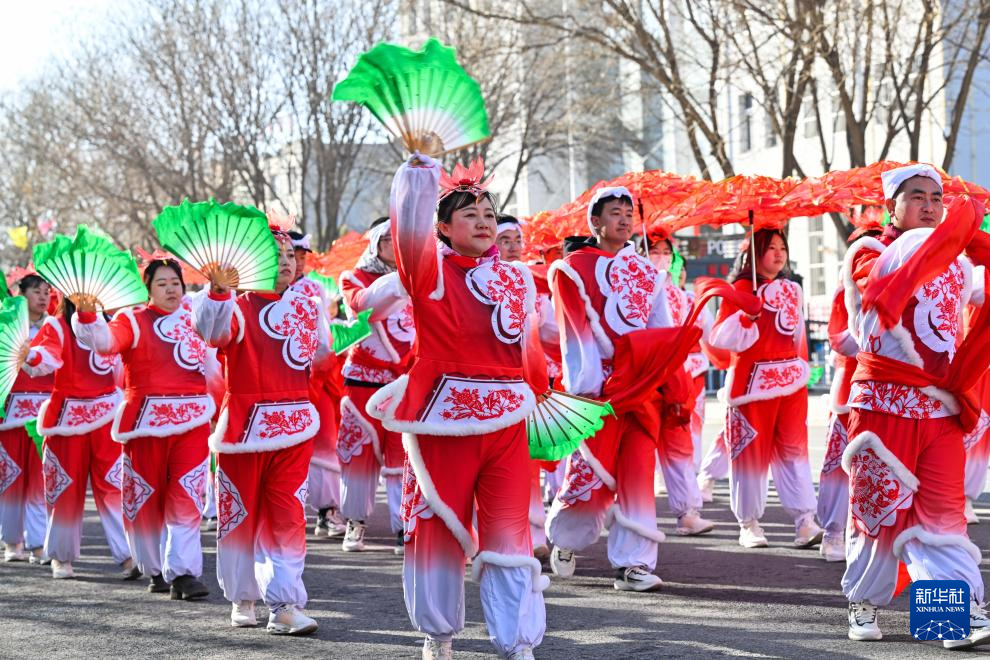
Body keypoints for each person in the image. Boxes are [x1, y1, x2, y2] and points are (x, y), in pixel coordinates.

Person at [373, 154, 546, 660]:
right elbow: (408, 234)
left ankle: (516, 641)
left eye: (490, 213)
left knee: (510, 530)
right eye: (470, 214)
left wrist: (542, 392)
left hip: (508, 418)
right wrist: (418, 177)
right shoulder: (429, 270)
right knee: (435, 524)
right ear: (443, 228)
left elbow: (529, 349)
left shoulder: (518, 278)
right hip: (441, 419)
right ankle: (438, 632)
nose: (485, 222)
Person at [840, 164, 990, 647]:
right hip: (882, 406)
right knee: (878, 511)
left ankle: (949, 620)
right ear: (892, 206)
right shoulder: (869, 253)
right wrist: (958, 235)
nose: (929, 206)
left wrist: (973, 245)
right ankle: (863, 602)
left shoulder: (956, 263)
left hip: (940, 406)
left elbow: (977, 290)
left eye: (937, 198)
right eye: (917, 197)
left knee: (942, 517)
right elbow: (876, 300)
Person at [192, 227, 332, 635]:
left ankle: (285, 603)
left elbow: (321, 355)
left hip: (296, 425)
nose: (286, 261)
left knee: (288, 514)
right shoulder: (235, 305)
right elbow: (211, 333)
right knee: (239, 514)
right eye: (275, 254)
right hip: (244, 427)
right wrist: (218, 291)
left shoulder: (308, 304)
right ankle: (243, 596)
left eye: (289, 254)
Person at [545, 187, 676, 592]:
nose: (624, 219)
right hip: (597, 390)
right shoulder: (573, 268)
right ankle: (567, 538)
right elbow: (573, 332)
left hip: (640, 387)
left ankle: (633, 564)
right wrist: (585, 388)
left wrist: (661, 375)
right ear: (595, 221)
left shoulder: (646, 272)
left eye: (628, 213)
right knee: (589, 470)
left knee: (639, 471)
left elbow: (661, 329)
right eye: (615, 212)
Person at [73, 258, 212, 599]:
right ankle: (154, 567)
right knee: (146, 496)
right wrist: (88, 315)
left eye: (175, 282)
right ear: (148, 289)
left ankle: (183, 573)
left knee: (188, 493)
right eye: (162, 284)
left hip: (194, 420)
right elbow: (105, 342)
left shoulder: (197, 315)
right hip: (146, 424)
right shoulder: (132, 319)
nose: (171, 289)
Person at [706, 229, 822, 550]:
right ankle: (749, 523)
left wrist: (803, 369)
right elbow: (720, 337)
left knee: (794, 451)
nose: (779, 253)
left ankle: (805, 520)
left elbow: (798, 337)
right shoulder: (741, 288)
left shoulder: (792, 288)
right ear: (756, 253)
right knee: (750, 455)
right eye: (770, 247)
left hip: (792, 384)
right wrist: (748, 315)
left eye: (782, 247)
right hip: (751, 386)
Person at [23, 295, 132, 579]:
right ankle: (61, 556)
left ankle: (128, 554)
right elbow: (44, 359)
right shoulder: (57, 325)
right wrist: (31, 356)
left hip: (107, 417)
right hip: (66, 421)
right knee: (64, 490)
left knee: (114, 486)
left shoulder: (111, 322)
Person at [336, 216, 414, 554]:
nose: (396, 247)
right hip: (363, 379)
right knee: (360, 453)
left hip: (403, 379)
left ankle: (404, 525)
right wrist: (401, 280)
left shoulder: (416, 278)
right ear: (376, 244)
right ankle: (355, 522)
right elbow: (363, 306)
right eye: (389, 240)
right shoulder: (353, 277)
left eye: (401, 240)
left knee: (402, 455)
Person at [646, 234, 713, 535]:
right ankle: (631, 516)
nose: (661, 257)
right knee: (636, 450)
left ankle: (687, 512)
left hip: (677, 377)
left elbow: (706, 334)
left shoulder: (684, 298)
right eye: (654, 251)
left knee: (680, 443)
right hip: (644, 378)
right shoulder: (633, 290)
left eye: (666, 252)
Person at [286, 228, 347, 541]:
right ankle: (287, 509)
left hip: (317, 377)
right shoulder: (259, 289)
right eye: (288, 256)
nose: (295, 262)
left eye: (298, 256)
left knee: (325, 441)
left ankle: (328, 509)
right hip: (278, 380)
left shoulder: (314, 289)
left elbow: (323, 337)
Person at [0, 273, 53, 563]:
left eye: (47, 292)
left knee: (39, 478)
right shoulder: (6, 326)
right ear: (22, 295)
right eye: (37, 291)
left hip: (44, 412)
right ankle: (12, 541)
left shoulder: (55, 327)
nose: (43, 297)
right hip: (10, 411)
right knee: (10, 476)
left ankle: (38, 542)